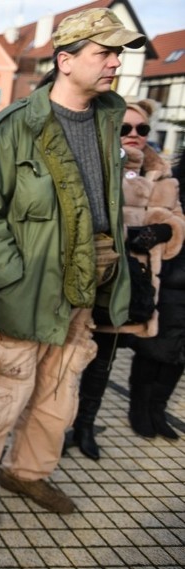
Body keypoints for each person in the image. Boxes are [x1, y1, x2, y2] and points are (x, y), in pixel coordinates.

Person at [0, 8, 145, 529]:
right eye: (104, 52)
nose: (115, 62)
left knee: (59, 397)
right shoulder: (16, 127)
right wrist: (12, 278)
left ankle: (27, 472)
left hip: (83, 293)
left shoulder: (107, 121)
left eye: (118, 52)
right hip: (23, 294)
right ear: (65, 60)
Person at [70, 99, 184, 458]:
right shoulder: (97, 165)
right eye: (125, 128)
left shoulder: (160, 172)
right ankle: (55, 428)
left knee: (104, 361)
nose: (134, 135)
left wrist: (164, 232)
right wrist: (121, 238)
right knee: (72, 361)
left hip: (134, 288)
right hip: (94, 282)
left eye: (142, 129)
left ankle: (85, 426)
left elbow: (176, 218)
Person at [126, 113, 185, 441]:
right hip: (173, 275)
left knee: (179, 355)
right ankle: (139, 408)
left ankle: (158, 409)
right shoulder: (176, 179)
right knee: (155, 348)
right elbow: (167, 217)